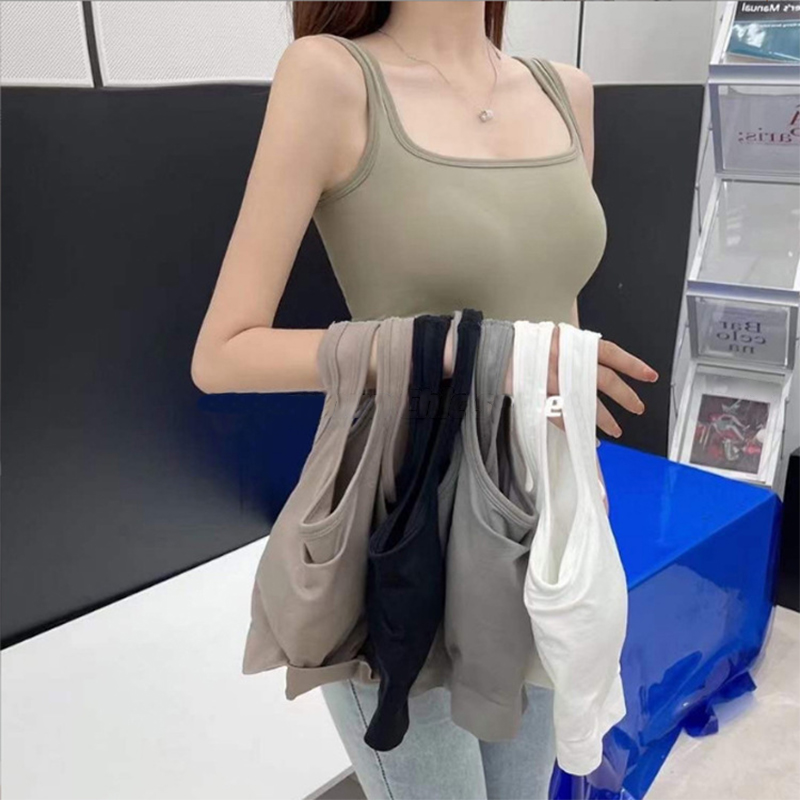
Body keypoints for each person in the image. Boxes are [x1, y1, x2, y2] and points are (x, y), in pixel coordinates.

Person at [191, 2, 659, 797]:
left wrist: (580, 470)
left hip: (543, 518)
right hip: (403, 521)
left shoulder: (567, 92)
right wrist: (469, 351)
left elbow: (558, 313)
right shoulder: (332, 78)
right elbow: (223, 354)